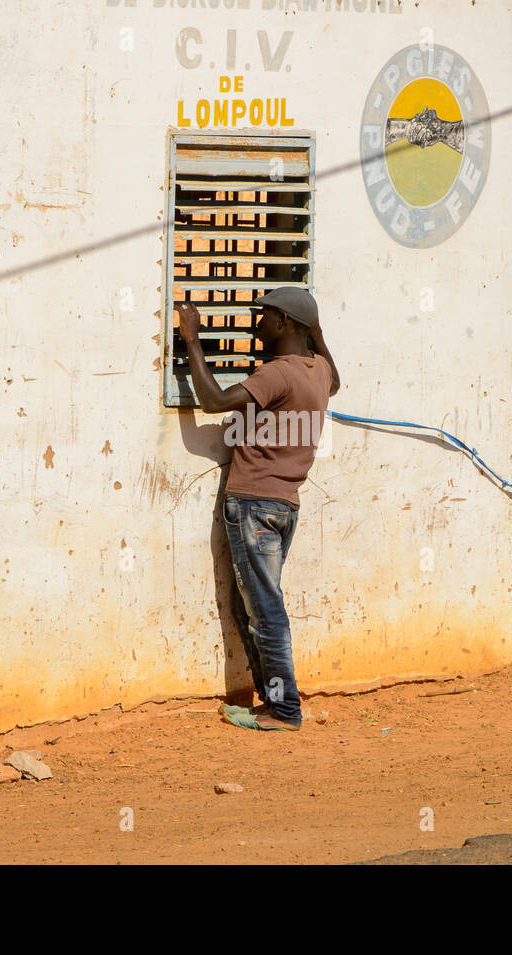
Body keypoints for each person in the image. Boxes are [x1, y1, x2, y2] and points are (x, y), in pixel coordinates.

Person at [175, 288, 339, 731]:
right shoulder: (318, 370)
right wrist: (316, 331)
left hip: (252, 505)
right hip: (284, 506)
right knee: (252, 604)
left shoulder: (278, 374)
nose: (256, 323)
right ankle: (273, 703)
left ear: (284, 322)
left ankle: (285, 710)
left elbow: (213, 402)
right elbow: (337, 380)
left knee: (264, 608)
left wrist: (193, 338)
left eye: (264, 315)